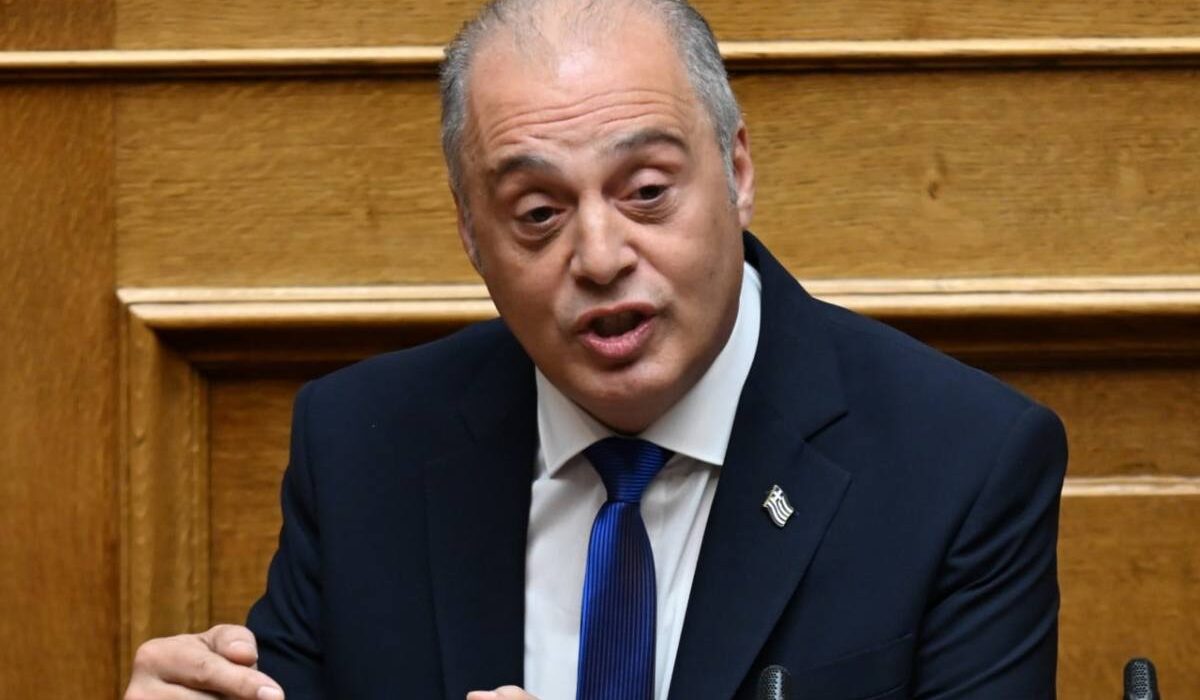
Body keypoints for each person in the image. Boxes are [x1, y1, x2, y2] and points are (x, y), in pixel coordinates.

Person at [124, 0, 1068, 698]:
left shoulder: (959, 462)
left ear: (737, 173)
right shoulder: (364, 446)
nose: (602, 256)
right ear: (471, 235)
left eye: (647, 192)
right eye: (538, 213)